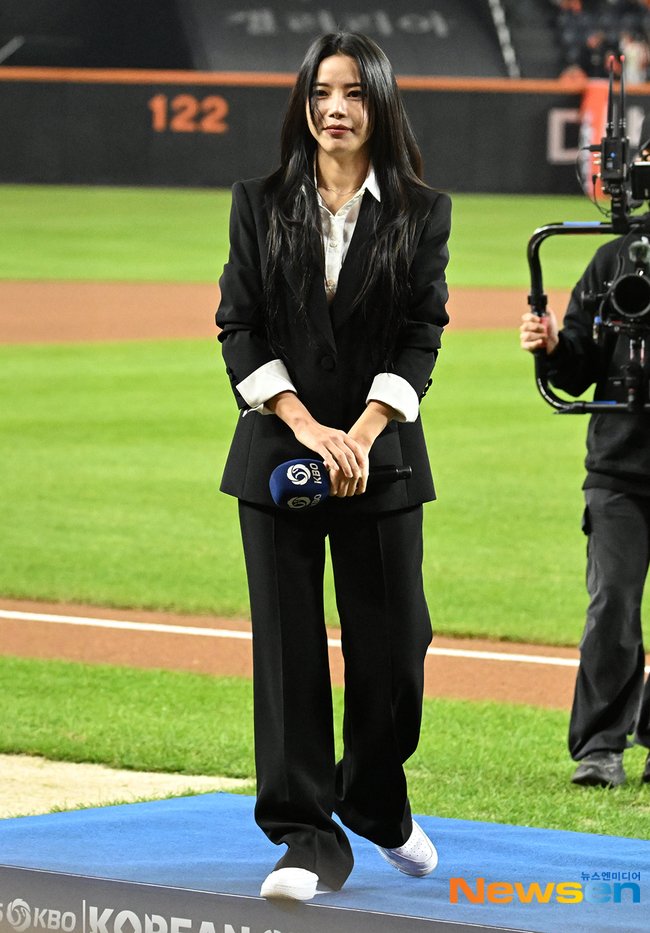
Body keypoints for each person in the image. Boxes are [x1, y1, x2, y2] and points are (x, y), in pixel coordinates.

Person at [215, 31, 451, 900]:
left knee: (397, 652)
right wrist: (307, 424)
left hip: (380, 459)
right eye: (320, 93)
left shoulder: (423, 211)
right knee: (289, 656)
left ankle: (375, 798)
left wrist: (364, 429)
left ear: (378, 102)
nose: (335, 109)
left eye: (352, 92)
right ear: (303, 103)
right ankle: (307, 838)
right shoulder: (258, 201)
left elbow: (421, 332)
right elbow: (239, 326)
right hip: (280, 454)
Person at [520, 232, 650, 789]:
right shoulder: (614, 258)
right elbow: (579, 367)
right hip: (620, 466)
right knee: (613, 601)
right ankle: (600, 747)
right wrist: (553, 346)